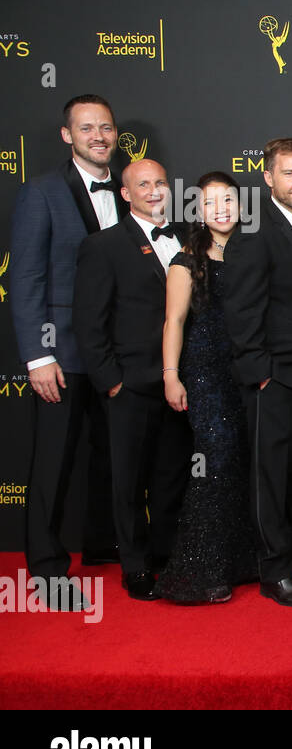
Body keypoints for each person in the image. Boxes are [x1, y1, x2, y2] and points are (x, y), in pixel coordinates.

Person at [9, 94, 123, 604]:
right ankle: (48, 570)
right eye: (87, 128)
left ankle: (104, 546)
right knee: (54, 461)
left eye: (105, 127)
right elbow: (27, 278)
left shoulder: (128, 192)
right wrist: (38, 355)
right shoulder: (43, 191)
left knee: (113, 456)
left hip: (117, 352)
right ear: (67, 135)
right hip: (63, 354)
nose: (98, 135)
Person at [72, 158, 193, 601]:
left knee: (171, 475)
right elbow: (89, 322)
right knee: (128, 481)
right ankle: (136, 566)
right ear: (126, 194)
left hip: (180, 382)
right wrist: (112, 382)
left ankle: (165, 554)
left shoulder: (187, 238)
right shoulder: (103, 246)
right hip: (131, 384)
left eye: (161, 181)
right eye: (143, 184)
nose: (155, 190)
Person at [223, 137, 292, 607]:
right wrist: (260, 372)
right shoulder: (253, 230)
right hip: (273, 376)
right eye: (290, 173)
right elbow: (241, 310)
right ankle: (274, 571)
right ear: (268, 178)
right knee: (269, 476)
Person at [156, 172, 258, 604]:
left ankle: (235, 562)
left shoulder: (252, 252)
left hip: (246, 369)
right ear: (197, 210)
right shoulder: (186, 259)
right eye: (210, 202)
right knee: (213, 462)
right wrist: (171, 374)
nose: (221, 209)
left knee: (238, 462)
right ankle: (197, 569)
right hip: (204, 371)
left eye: (228, 200)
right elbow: (174, 321)